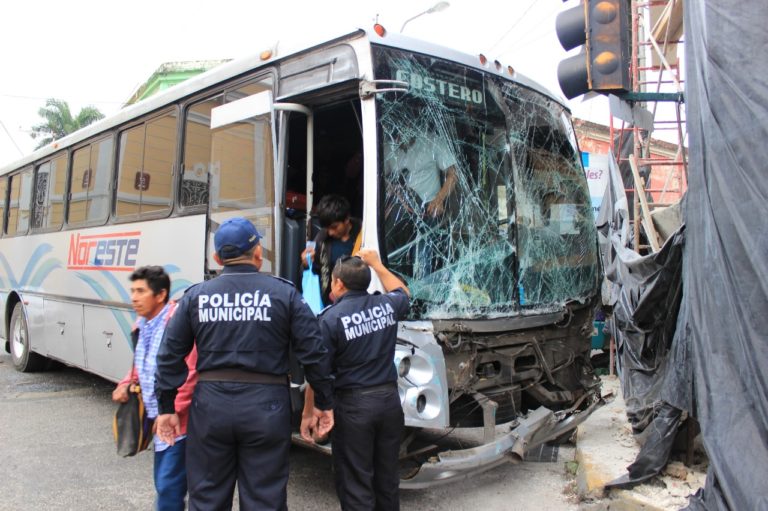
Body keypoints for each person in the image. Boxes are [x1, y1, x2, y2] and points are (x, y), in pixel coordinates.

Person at [154, 216, 334, 511]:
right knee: (265, 499)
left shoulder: (196, 297)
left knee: (208, 498)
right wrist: (323, 402)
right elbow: (314, 351)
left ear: (216, 258)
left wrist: (166, 408)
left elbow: (169, 356)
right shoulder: (284, 293)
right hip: (266, 407)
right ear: (259, 254)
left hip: (210, 407)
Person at [301, 248, 410, 511]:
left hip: (353, 407)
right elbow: (404, 293)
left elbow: (319, 373)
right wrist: (378, 265)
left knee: (355, 484)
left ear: (338, 283)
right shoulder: (386, 304)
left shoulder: (330, 318)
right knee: (387, 480)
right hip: (388, 403)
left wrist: (309, 412)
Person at [112, 265, 198, 511]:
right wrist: (126, 382)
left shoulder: (177, 324)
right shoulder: (142, 324)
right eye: (133, 290)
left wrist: (171, 411)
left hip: (178, 424)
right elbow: (142, 363)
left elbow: (190, 374)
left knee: (168, 488)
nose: (134, 297)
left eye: (141, 291)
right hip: (159, 420)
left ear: (160, 295)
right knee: (165, 485)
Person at [301, 194, 362, 306]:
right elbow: (315, 271)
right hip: (331, 302)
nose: (330, 232)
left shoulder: (363, 234)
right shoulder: (322, 237)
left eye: (334, 227)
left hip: (358, 301)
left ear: (347, 219)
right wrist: (306, 263)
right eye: (327, 228)